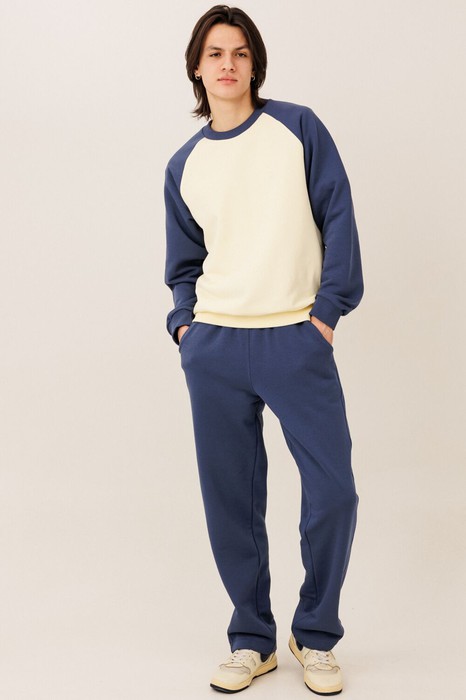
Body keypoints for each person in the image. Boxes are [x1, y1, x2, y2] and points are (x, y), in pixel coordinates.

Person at [163, 4, 363, 695]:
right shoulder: (184, 164)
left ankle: (315, 634)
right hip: (215, 346)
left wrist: (327, 313)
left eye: (240, 53)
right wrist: (185, 327)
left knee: (334, 493)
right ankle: (252, 638)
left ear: (255, 64)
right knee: (230, 500)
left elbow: (338, 215)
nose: (228, 64)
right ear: (197, 67)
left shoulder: (297, 128)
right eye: (215, 53)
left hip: (296, 339)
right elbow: (183, 263)